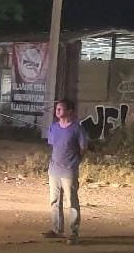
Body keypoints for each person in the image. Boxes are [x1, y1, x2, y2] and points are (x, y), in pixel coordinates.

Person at [42, 99, 88, 245]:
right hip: (54, 170)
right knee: (54, 201)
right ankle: (57, 229)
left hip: (69, 170)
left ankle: (74, 233)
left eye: (61, 108)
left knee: (72, 202)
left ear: (70, 111)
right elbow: (54, 146)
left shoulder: (77, 129)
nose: (57, 111)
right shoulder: (54, 127)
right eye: (57, 108)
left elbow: (83, 148)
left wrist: (76, 161)